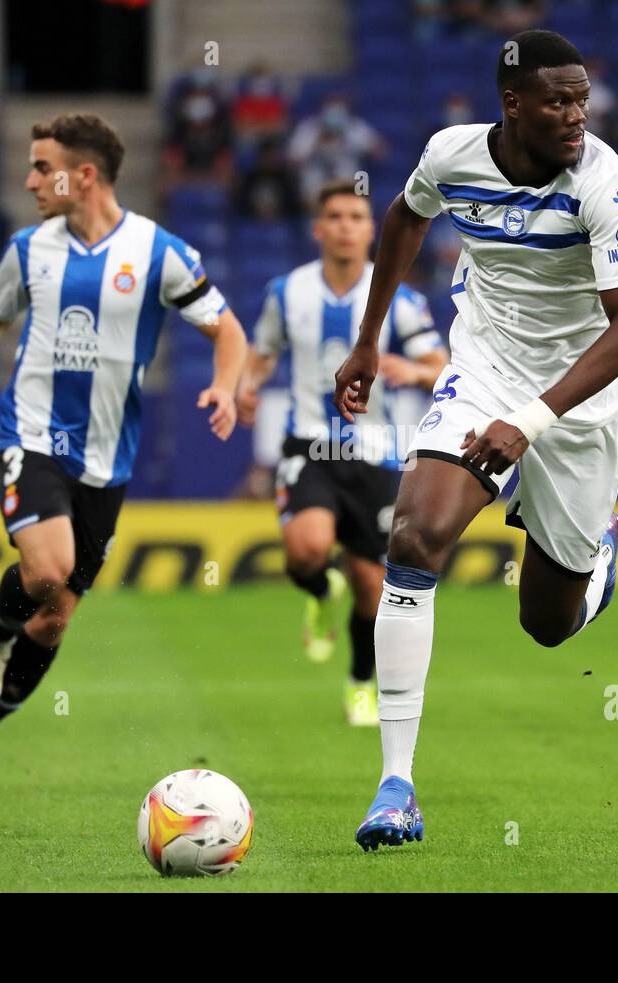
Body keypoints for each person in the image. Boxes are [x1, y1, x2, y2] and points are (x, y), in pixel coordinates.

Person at [332, 31, 618, 850]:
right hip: (484, 372)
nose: (577, 115)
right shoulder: (451, 155)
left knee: (546, 624)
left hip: (581, 402)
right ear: (513, 103)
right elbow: (406, 215)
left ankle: (597, 559)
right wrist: (370, 338)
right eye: (559, 100)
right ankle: (396, 787)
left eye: (583, 98)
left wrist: (533, 423)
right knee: (414, 535)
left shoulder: (604, 180)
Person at [0, 114, 248, 794]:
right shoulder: (28, 249)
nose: (29, 180)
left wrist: (225, 386)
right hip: (32, 432)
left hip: (109, 457)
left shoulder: (159, 252)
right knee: (50, 572)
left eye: (42, 167)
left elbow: (228, 330)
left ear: (84, 176)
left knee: (55, 614)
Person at [236, 179, 447, 725]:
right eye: (335, 216)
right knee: (307, 549)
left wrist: (415, 369)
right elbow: (262, 354)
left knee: (373, 591)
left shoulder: (398, 297)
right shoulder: (286, 292)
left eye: (356, 216)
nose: (345, 226)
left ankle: (359, 682)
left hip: (376, 454)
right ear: (318, 228)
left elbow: (442, 365)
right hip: (309, 443)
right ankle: (317, 586)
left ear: (370, 229)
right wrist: (247, 386)